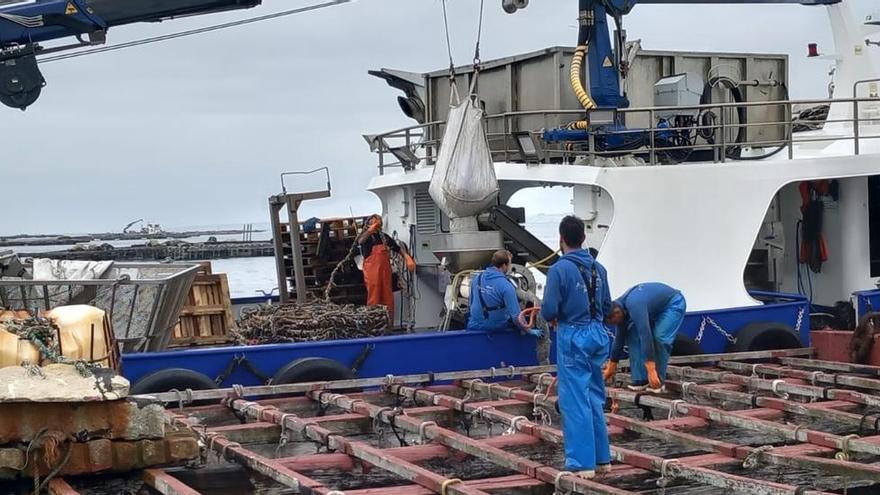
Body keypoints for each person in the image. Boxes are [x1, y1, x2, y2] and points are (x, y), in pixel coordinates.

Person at [540, 215, 612, 479]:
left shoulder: (559, 269)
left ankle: (582, 463)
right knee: (594, 395)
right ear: (583, 237)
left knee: (574, 400)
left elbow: (548, 310)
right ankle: (603, 458)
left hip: (573, 335)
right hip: (598, 334)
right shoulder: (599, 269)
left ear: (561, 239)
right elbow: (606, 306)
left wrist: (558, 317)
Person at [603, 283, 687, 393]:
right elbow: (619, 339)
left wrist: (651, 370)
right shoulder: (620, 309)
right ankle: (640, 380)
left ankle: (657, 382)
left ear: (617, 313)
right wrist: (611, 365)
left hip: (672, 303)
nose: (615, 325)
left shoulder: (635, 305)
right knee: (632, 334)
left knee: (660, 338)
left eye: (614, 322)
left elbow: (645, 334)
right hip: (653, 309)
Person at [467, 249, 542, 338]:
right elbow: (517, 318)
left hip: (473, 327)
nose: (510, 266)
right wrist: (529, 331)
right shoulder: (506, 286)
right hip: (496, 328)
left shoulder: (476, 279)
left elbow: (471, 304)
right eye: (509, 264)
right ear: (504, 265)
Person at [356, 214, 415, 326]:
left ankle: (388, 325)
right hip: (372, 271)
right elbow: (360, 241)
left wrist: (407, 258)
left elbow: (397, 249)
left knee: (388, 296)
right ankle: (373, 324)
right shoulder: (366, 237)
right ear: (368, 223)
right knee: (374, 296)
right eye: (373, 220)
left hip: (385, 271)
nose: (376, 221)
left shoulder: (385, 237)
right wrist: (370, 230)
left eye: (378, 220)